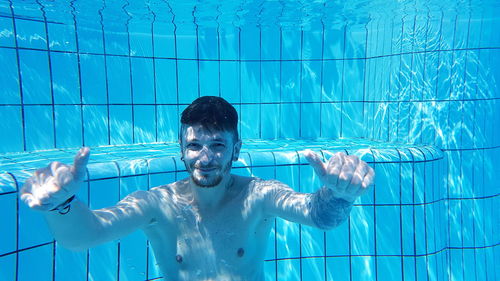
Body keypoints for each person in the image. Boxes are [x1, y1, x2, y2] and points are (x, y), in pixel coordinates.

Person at [21, 96, 375, 281]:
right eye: (194, 146)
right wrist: (62, 206)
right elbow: (85, 236)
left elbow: (318, 215)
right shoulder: (156, 204)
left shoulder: (260, 196)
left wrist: (338, 194)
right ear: (181, 150)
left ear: (236, 149)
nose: (204, 159)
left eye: (218, 146)